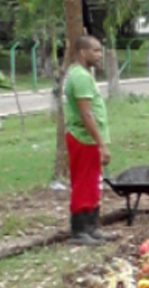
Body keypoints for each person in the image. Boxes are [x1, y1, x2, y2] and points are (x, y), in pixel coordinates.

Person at [63, 35, 117, 246]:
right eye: (95, 51)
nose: (99, 55)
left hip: (88, 139)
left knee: (94, 183)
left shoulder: (81, 74)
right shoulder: (80, 77)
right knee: (84, 183)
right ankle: (79, 230)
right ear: (82, 52)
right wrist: (101, 143)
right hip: (83, 138)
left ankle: (93, 227)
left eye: (100, 50)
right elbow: (86, 114)